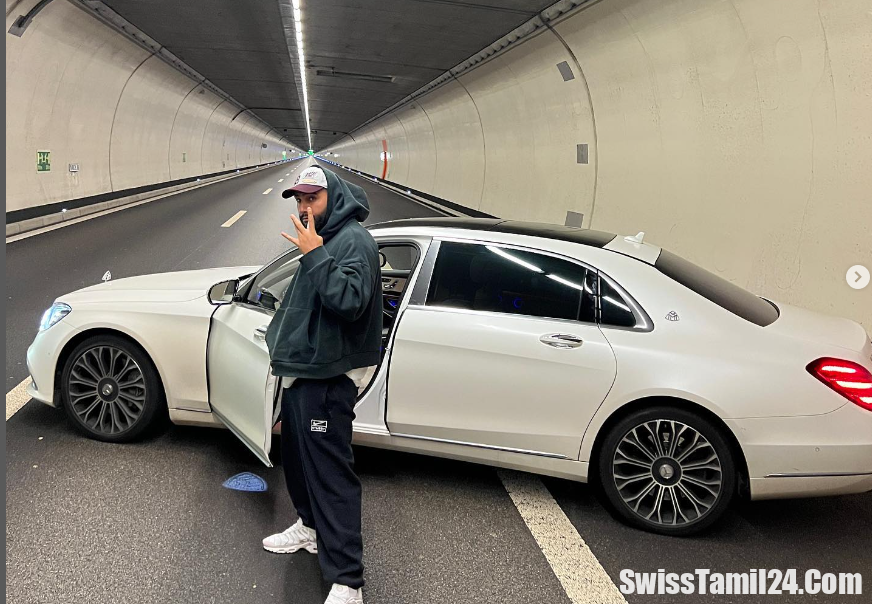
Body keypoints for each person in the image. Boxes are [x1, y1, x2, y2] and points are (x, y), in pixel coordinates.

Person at [263, 164, 382, 604]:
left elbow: (349, 302)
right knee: (297, 461)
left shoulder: (355, 242)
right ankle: (310, 528)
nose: (303, 206)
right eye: (298, 199)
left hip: (328, 380)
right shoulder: (328, 238)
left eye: (311, 198)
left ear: (334, 197)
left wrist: (313, 253)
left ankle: (348, 580)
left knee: (331, 475)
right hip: (305, 373)